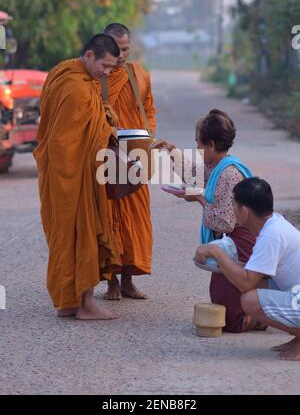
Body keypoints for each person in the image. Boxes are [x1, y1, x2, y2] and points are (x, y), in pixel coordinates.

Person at [33, 33, 124, 320]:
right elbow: (69, 140)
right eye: (105, 66)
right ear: (88, 56)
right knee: (82, 235)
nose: (107, 73)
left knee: (65, 238)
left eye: (111, 68)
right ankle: (84, 305)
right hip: (74, 176)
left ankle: (68, 302)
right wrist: (107, 132)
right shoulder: (76, 88)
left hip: (61, 176)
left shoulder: (62, 73)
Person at [152, 109, 257, 332]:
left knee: (229, 320)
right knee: (219, 305)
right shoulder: (218, 165)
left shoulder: (228, 173)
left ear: (210, 144)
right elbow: (195, 175)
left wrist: (198, 197)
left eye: (199, 145)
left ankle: (256, 319)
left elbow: (225, 223)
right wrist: (170, 151)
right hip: (231, 243)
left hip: (240, 244)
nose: (197, 149)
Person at [195, 178, 300, 361]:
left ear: (244, 211)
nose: (232, 211)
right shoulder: (272, 225)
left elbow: (245, 283)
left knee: (250, 300)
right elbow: (253, 273)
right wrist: (226, 263)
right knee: (257, 284)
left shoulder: (271, 235)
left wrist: (215, 251)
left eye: (234, 206)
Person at [101, 23, 156, 300]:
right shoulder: (97, 76)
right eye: (115, 49)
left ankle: (128, 281)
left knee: (136, 220)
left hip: (135, 155)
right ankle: (110, 282)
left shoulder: (139, 75)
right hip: (107, 155)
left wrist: (149, 139)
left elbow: (148, 109)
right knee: (110, 218)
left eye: (125, 49)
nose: (121, 55)